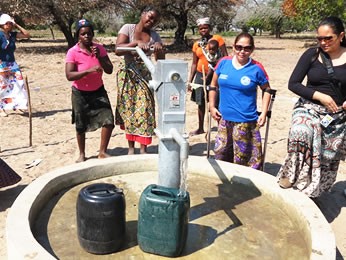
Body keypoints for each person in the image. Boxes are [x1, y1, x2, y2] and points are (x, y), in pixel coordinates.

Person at [277, 16, 346, 198]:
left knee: (327, 156)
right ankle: (292, 177)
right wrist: (320, 96)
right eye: (320, 38)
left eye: (328, 38)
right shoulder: (312, 55)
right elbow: (294, 83)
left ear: (341, 36)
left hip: (337, 115)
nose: (323, 42)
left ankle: (312, 192)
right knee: (302, 132)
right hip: (308, 107)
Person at [208, 32, 272, 170]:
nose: (242, 51)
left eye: (247, 48)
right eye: (239, 47)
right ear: (233, 47)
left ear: (252, 49)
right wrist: (212, 106)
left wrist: (264, 112)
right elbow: (213, 85)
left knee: (244, 162)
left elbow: (267, 90)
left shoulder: (257, 68)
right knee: (221, 156)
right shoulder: (223, 63)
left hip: (246, 122)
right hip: (224, 121)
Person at [115, 6, 165, 155]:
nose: (151, 21)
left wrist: (159, 49)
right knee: (129, 110)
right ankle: (131, 148)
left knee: (146, 110)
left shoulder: (154, 36)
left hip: (145, 74)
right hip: (128, 74)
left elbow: (160, 61)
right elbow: (118, 49)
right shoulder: (128, 28)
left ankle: (143, 149)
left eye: (154, 20)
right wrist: (135, 44)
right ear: (143, 14)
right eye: (149, 17)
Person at [65, 19, 114, 163]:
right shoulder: (73, 52)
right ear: (78, 36)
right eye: (83, 34)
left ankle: (102, 152)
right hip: (80, 93)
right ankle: (82, 154)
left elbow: (110, 70)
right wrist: (89, 71)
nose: (86, 36)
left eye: (89, 33)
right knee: (81, 124)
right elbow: (69, 75)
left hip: (98, 90)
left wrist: (99, 56)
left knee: (108, 120)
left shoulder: (99, 49)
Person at [188, 17, 228, 136]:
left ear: (209, 28)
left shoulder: (218, 40)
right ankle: (200, 128)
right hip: (201, 75)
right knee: (201, 102)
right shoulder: (197, 45)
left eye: (205, 28)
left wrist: (217, 68)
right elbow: (194, 63)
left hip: (216, 75)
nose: (203, 30)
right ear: (198, 30)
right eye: (201, 29)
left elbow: (225, 56)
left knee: (217, 101)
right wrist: (190, 81)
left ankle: (221, 126)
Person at [0, 13, 30, 117]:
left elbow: (27, 35)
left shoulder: (12, 35)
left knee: (19, 84)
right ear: (2, 24)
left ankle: (18, 105)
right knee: (3, 86)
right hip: (2, 63)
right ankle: (1, 108)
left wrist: (16, 24)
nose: (9, 25)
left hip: (12, 63)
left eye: (10, 23)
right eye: (7, 23)